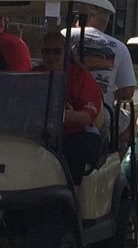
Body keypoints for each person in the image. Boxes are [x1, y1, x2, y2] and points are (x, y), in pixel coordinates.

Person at [39, 29, 108, 176]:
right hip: (37, 133)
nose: (51, 57)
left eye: (56, 52)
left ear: (66, 53)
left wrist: (64, 116)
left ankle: (70, 193)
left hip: (73, 134)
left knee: (73, 149)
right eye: (46, 52)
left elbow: (87, 117)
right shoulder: (33, 75)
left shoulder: (80, 76)